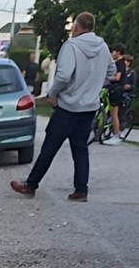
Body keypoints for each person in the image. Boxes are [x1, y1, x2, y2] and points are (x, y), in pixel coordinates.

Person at [11, 12, 115, 202]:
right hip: (89, 107)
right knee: (80, 148)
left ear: (76, 27)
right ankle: (81, 190)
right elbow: (112, 71)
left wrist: (53, 94)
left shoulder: (71, 46)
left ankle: (31, 184)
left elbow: (64, 75)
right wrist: (95, 86)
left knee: (50, 146)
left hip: (68, 106)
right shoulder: (103, 47)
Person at [104, 43, 127, 145]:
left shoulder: (120, 64)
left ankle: (116, 135)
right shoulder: (116, 62)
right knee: (111, 112)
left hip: (116, 90)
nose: (111, 53)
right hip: (112, 89)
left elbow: (117, 77)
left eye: (113, 51)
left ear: (118, 52)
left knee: (114, 114)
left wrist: (108, 77)